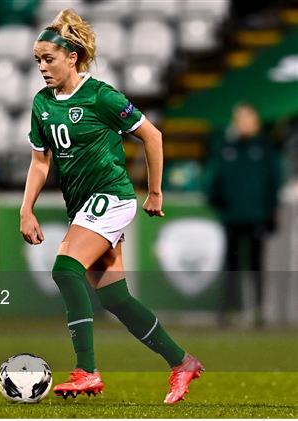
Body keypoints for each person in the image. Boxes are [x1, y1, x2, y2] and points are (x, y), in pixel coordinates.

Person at [19, 9, 203, 405]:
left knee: (65, 267)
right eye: (38, 61)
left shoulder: (101, 96)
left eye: (49, 59)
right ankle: (182, 363)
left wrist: (154, 192)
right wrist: (26, 209)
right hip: (83, 206)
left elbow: (152, 136)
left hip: (112, 196)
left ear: (72, 57)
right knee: (115, 297)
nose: (42, 68)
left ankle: (87, 370)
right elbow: (40, 161)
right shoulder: (42, 103)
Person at [204, 103, 282, 327]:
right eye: (240, 119)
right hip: (232, 217)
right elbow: (213, 179)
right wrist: (218, 200)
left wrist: (271, 210)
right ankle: (227, 309)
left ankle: (258, 309)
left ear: (255, 122)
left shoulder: (265, 149)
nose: (244, 123)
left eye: (248, 118)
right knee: (232, 264)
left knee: (257, 264)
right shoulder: (227, 148)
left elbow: (274, 181)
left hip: (257, 216)